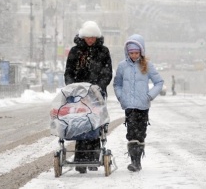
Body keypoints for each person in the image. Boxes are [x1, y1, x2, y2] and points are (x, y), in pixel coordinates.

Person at [64, 21, 113, 173]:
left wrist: (98, 86)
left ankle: (93, 156)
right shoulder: (75, 51)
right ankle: (80, 158)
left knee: (95, 124)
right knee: (80, 124)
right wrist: (73, 87)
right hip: (79, 94)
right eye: (88, 37)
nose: (90, 40)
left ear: (96, 37)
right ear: (83, 37)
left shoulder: (103, 51)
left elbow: (107, 72)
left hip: (97, 94)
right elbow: (69, 72)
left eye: (93, 37)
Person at [113, 34, 164, 172]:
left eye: (136, 53)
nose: (134, 55)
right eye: (131, 53)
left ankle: (138, 160)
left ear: (141, 52)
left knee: (140, 134)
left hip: (143, 106)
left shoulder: (147, 66)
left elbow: (159, 82)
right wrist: (120, 97)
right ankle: (133, 161)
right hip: (129, 106)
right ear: (127, 52)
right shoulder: (122, 66)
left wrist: (150, 95)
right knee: (131, 133)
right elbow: (117, 84)